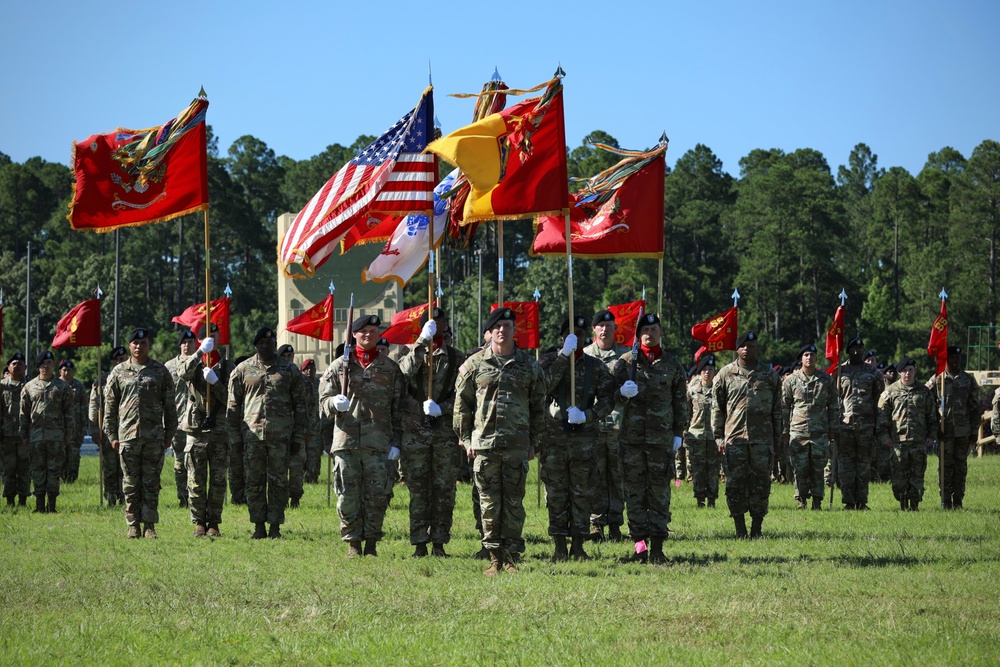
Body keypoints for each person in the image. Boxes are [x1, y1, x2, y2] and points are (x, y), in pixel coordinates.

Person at [455, 307, 546, 575]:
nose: (502, 330)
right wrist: (465, 438)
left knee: (514, 502)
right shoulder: (474, 365)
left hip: (517, 444)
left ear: (514, 330)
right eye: (497, 326)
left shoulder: (528, 365)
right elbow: (463, 404)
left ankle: (511, 557)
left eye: (507, 325)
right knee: (489, 503)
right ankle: (494, 557)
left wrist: (535, 441)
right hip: (483, 445)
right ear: (489, 332)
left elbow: (538, 405)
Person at [323, 314, 405, 557]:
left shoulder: (390, 369)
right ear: (354, 335)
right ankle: (352, 543)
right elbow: (322, 402)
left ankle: (371, 544)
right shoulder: (339, 366)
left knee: (377, 497)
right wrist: (332, 404)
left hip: (378, 444)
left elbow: (399, 408)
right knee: (348, 496)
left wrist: (397, 443)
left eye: (373, 330)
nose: (368, 334)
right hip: (346, 441)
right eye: (363, 331)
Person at [613, 313, 689, 563]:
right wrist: (622, 392)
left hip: (660, 441)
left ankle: (657, 549)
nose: (649, 333)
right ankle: (640, 549)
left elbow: (681, 403)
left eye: (654, 328)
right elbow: (611, 398)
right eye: (645, 329)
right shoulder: (626, 363)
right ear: (638, 334)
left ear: (661, 333)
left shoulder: (672, 365)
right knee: (634, 494)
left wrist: (678, 433)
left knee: (658, 494)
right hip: (632, 441)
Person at [539, 315, 614, 561]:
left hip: (584, 439)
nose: (577, 338)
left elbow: (608, 399)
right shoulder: (549, 361)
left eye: (581, 334)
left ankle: (579, 545)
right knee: (557, 493)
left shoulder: (595, 366)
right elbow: (542, 388)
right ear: (563, 337)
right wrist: (563, 358)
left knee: (582, 493)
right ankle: (559, 545)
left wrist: (588, 415)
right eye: (571, 334)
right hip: (554, 438)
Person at [227, 328, 310, 539]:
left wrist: (298, 438)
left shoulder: (289, 370)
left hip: (281, 438)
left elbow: (301, 405)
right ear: (255, 345)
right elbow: (233, 407)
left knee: (278, 482)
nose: (266, 345)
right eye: (261, 342)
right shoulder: (242, 370)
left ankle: (275, 526)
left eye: (270, 341)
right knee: (253, 482)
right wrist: (235, 438)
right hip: (252, 437)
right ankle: (258, 526)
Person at [397, 307, 463, 558]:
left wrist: (442, 408)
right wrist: (422, 342)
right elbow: (402, 374)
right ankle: (419, 543)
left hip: (444, 432)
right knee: (418, 489)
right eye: (433, 324)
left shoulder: (456, 358)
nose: (439, 327)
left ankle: (439, 543)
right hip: (415, 431)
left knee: (444, 489)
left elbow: (462, 395)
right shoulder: (409, 352)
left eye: (442, 323)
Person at [104, 328, 178, 539]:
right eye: (135, 343)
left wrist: (169, 434)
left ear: (149, 344)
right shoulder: (118, 372)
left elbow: (170, 406)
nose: (139, 346)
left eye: (143, 342)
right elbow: (109, 406)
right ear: (129, 346)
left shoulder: (159, 371)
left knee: (151, 482)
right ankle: (133, 525)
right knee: (130, 483)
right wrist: (111, 435)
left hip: (154, 437)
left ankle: (150, 526)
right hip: (127, 436)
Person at [712, 331, 782, 539]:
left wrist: (777, 439)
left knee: (761, 484)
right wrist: (718, 437)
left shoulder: (770, 375)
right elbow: (718, 409)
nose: (747, 349)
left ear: (756, 348)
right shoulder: (725, 375)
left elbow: (777, 410)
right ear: (737, 349)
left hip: (762, 441)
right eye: (743, 345)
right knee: (735, 484)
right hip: (734, 440)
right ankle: (740, 527)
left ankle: (757, 527)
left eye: (751, 345)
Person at [177, 324, 232, 536]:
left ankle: (214, 523)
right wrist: (199, 352)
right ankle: (199, 521)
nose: (211, 339)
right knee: (196, 479)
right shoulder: (193, 361)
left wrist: (216, 383)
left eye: (214, 335)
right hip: (196, 429)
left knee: (218, 480)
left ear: (219, 338)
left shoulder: (227, 366)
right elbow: (182, 373)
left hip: (219, 429)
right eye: (205, 337)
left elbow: (231, 400)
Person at [582, 309, 628, 541]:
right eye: (600, 325)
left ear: (615, 329)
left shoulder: (626, 355)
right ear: (594, 329)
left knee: (617, 475)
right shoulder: (586, 355)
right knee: (596, 474)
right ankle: (596, 523)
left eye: (609, 325)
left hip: (620, 425)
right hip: (594, 425)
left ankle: (616, 523)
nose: (604, 329)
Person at [782, 343, 840, 511]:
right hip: (798, 432)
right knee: (800, 468)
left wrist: (833, 429)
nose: (809, 358)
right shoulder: (791, 381)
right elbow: (784, 407)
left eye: (812, 355)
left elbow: (833, 406)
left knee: (818, 467)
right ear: (801, 358)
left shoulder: (826, 380)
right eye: (806, 355)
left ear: (816, 358)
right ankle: (801, 500)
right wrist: (785, 430)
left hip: (820, 432)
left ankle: (817, 500)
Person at [878, 358, 937, 511]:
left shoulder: (924, 392)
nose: (907, 373)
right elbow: (882, 416)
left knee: (917, 476)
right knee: (899, 478)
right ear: (899, 373)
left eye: (910, 370)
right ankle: (903, 503)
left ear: (915, 371)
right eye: (904, 371)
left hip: (918, 442)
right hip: (898, 442)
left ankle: (914, 505)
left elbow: (932, 416)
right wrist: (884, 437)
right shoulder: (890, 391)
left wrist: (932, 435)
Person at [19, 351, 75, 513]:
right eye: (43, 363)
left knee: (54, 470)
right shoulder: (29, 387)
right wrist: (23, 434)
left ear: (53, 365)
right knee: (37, 470)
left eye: (49, 362)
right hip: (35, 437)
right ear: (38, 366)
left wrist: (68, 435)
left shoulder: (62, 386)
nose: (46, 366)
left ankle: (51, 506)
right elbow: (24, 413)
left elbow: (68, 413)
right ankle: (39, 505)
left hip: (56, 437)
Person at [929, 346, 981, 509]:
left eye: (957, 358)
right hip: (944, 431)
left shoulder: (968, 380)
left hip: (963, 432)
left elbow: (974, 408)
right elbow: (926, 403)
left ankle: (958, 500)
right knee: (945, 467)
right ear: (946, 359)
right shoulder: (938, 379)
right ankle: (945, 501)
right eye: (952, 357)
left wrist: (974, 431)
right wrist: (934, 428)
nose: (955, 361)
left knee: (960, 467)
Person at [836, 337, 884, 509]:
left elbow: (880, 399)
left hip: (866, 426)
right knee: (846, 465)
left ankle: (862, 501)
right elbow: (834, 398)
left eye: (860, 349)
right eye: (853, 349)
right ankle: (848, 501)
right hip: (844, 426)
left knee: (863, 465)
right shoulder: (840, 371)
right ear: (848, 351)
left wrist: (878, 426)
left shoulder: (873, 372)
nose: (857, 352)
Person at [90, 346, 128, 506]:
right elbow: (94, 405)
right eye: (117, 360)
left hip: (128, 428)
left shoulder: (132, 376)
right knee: (110, 467)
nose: (120, 362)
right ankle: (111, 497)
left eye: (123, 359)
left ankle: (126, 497)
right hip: (108, 430)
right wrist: (94, 430)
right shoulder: (102, 380)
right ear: (112, 362)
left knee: (126, 466)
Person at [164, 330, 198, 508]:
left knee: (195, 461)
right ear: (180, 345)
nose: (187, 345)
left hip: (196, 421)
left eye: (190, 342)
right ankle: (182, 496)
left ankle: (195, 497)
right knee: (179, 461)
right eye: (184, 342)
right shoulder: (169, 366)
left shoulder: (201, 363)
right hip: (178, 420)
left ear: (195, 344)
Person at [686, 354, 720, 508]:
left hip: (714, 437)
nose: (707, 372)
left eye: (711, 369)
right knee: (698, 470)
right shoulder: (692, 391)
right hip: (696, 435)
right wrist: (684, 432)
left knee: (713, 470)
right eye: (705, 370)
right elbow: (686, 413)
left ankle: (712, 500)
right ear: (700, 372)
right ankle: (700, 500)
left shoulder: (719, 391)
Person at [277, 343, 306, 508]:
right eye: (285, 356)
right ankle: (280, 498)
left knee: (296, 467)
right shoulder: (274, 377)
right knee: (279, 468)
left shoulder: (300, 378)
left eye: (291, 356)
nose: (289, 359)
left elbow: (306, 406)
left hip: (296, 430)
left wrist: (303, 431)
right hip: (279, 430)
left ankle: (295, 498)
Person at [2, 352, 29, 507]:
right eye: (14, 364)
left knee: (24, 469)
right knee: (9, 469)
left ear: (25, 367)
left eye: (20, 363)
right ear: (8, 367)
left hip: (25, 435)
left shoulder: (31, 385)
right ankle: (10, 500)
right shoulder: (2, 386)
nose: (17, 366)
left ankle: (23, 500)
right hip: (7, 435)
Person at [58, 360, 88, 483]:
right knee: (60, 453)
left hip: (75, 427)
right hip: (59, 427)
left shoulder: (79, 386)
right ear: (60, 371)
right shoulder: (56, 385)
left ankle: (71, 479)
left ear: (73, 371)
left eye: (69, 370)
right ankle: (60, 478)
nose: (66, 372)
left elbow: (84, 407)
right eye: (64, 370)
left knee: (73, 454)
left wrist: (84, 427)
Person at [301, 359, 322, 484]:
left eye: (312, 369)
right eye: (307, 369)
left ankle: (313, 476)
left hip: (316, 425)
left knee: (314, 452)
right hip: (302, 423)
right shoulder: (299, 384)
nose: (310, 371)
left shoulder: (319, 384)